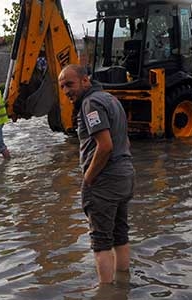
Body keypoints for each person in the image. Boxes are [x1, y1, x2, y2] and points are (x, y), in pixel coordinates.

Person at [58, 64, 135, 284]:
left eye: (70, 84)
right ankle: (123, 286)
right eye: (62, 86)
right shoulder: (110, 99)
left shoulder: (90, 104)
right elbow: (125, 141)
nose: (66, 91)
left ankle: (106, 292)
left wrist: (88, 179)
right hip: (125, 176)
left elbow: (105, 146)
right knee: (120, 235)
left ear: (85, 80)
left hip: (105, 181)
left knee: (101, 242)